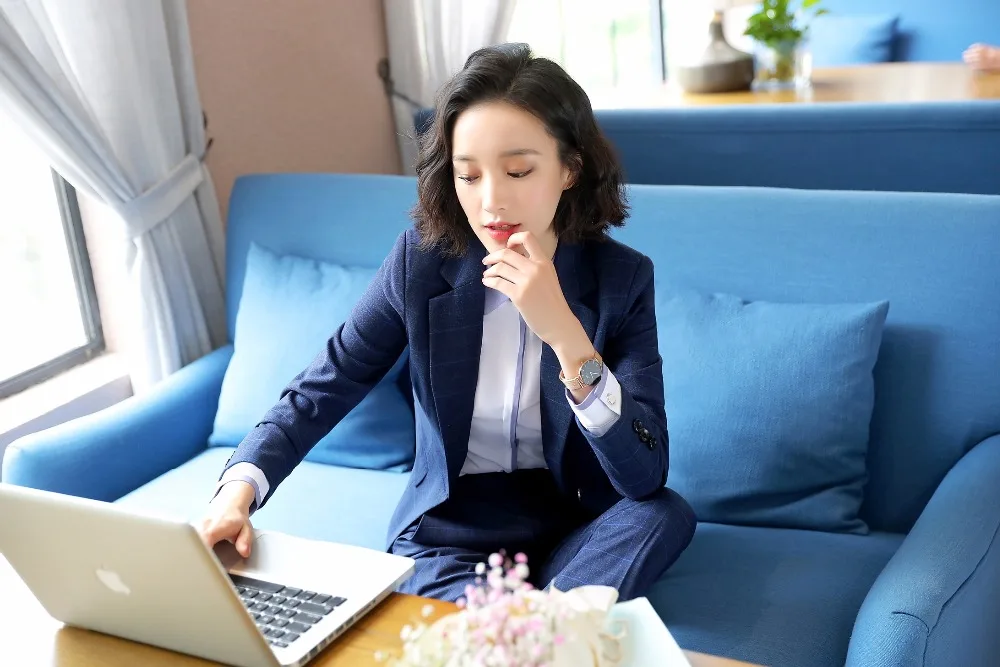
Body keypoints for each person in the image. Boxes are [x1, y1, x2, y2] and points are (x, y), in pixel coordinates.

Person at [195, 42, 696, 603]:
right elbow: (327, 384)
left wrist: (564, 334)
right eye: (469, 176)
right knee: (500, 610)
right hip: (450, 534)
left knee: (664, 514)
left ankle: (525, 621)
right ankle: (550, 622)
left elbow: (643, 475)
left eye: (518, 170)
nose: (491, 202)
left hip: (574, 524)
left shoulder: (621, 279)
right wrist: (237, 492)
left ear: (569, 169)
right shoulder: (421, 262)